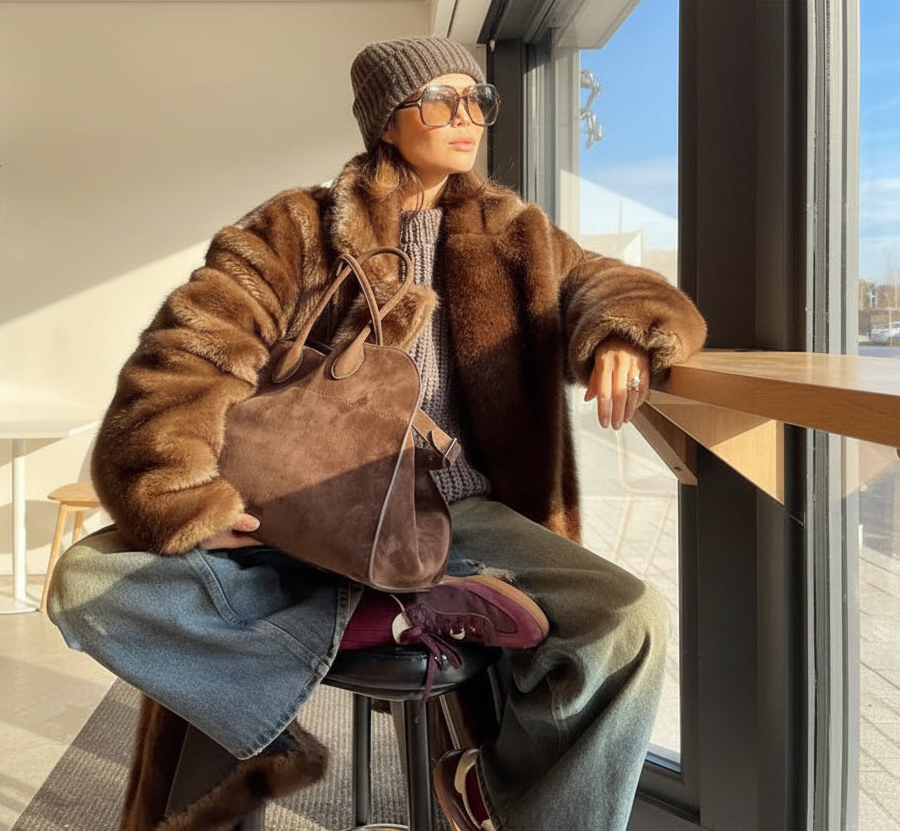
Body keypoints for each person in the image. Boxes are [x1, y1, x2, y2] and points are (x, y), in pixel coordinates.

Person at [48, 35, 707, 831]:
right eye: (441, 99)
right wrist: (184, 492)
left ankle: (494, 789)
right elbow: (186, 354)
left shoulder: (517, 236)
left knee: (630, 621)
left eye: (477, 99)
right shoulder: (297, 227)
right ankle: (386, 616)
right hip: (301, 517)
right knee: (84, 583)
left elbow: (612, 284)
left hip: (461, 521)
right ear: (387, 123)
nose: (467, 117)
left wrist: (624, 333)